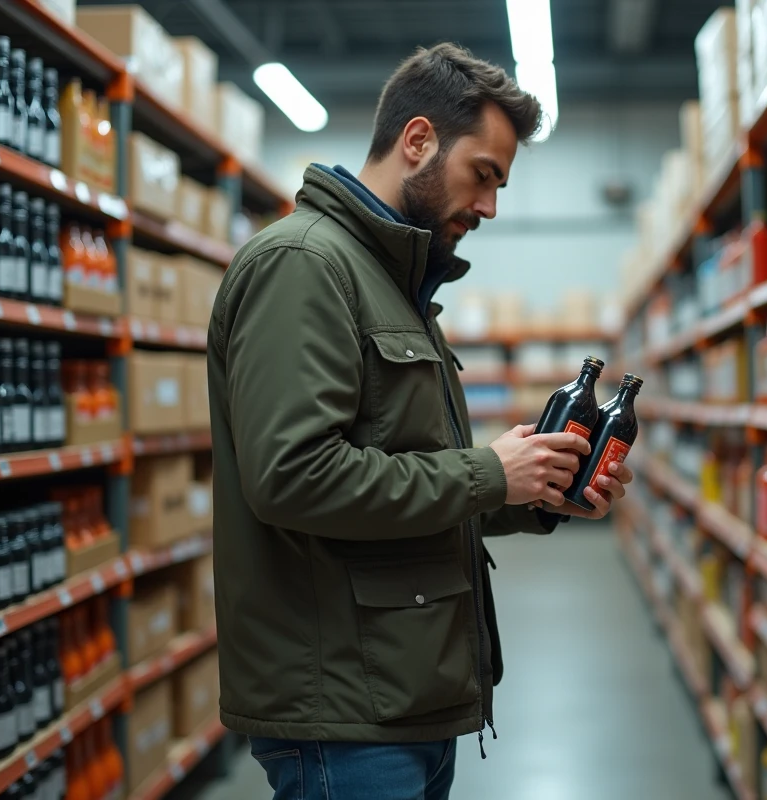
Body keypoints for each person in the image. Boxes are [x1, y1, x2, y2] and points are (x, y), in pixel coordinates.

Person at [206, 43, 634, 800]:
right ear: (418, 141)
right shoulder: (304, 264)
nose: (492, 206)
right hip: (342, 707)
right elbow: (292, 478)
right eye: (485, 175)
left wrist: (531, 490)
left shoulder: (393, 285)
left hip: (402, 694)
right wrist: (485, 472)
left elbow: (406, 479)